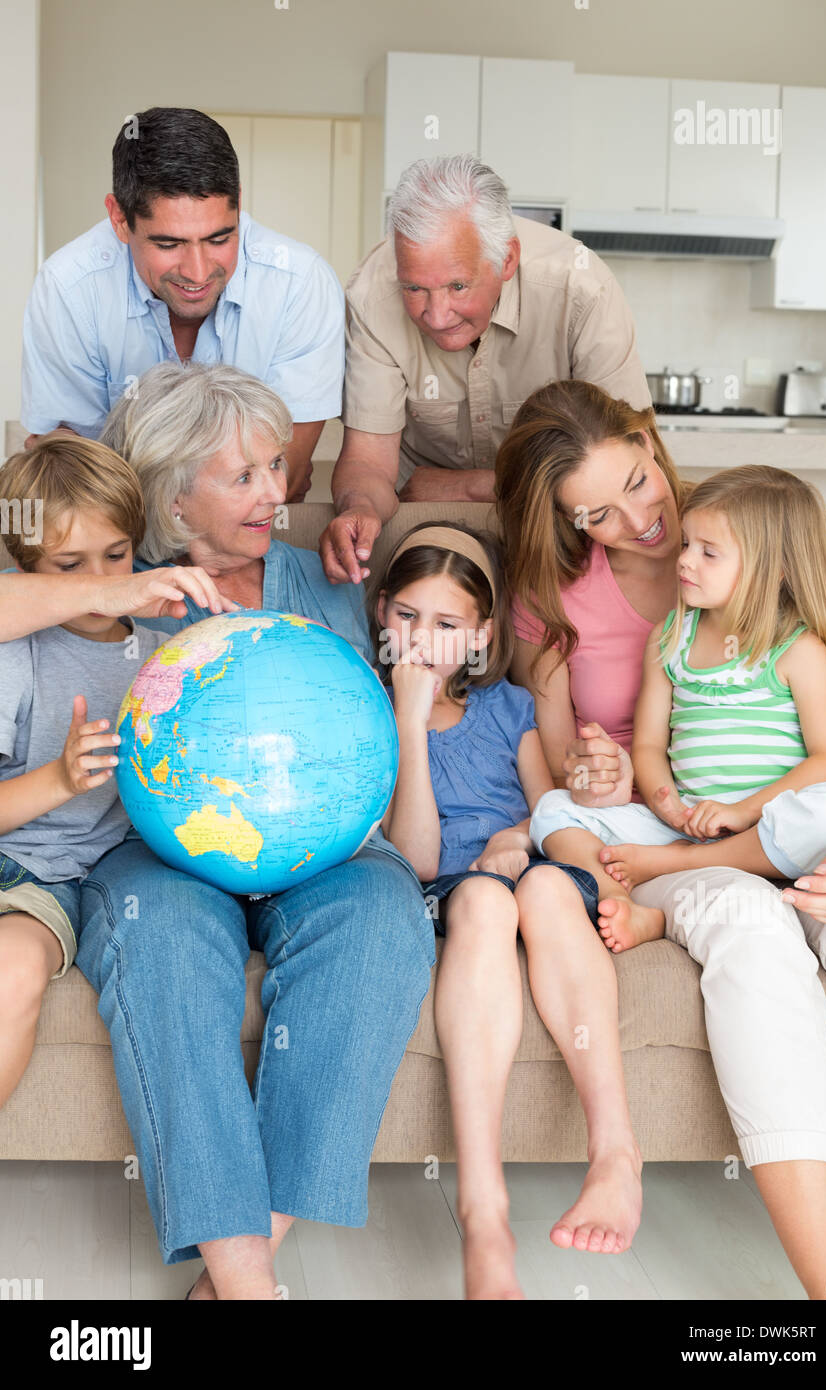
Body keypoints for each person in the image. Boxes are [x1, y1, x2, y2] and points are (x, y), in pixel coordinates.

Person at [0, 362, 435, 1300]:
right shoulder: (112, 582)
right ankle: (250, 1290)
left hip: (326, 852)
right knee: (162, 942)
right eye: (243, 476)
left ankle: (241, 1270)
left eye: (277, 467)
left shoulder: (318, 578)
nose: (279, 494)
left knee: (383, 926)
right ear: (171, 492)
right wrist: (121, 594)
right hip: (157, 853)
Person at [496, 378, 826, 1301]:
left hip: (790, 818)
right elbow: (557, 761)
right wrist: (599, 773)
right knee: (752, 935)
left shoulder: (749, 539)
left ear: (650, 440)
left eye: (639, 480)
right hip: (659, 835)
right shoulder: (557, 599)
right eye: (598, 513)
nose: (639, 520)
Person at [371, 521, 652, 1300]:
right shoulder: (364, 712)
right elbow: (419, 856)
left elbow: (554, 813)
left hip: (530, 876)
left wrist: (513, 836)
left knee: (543, 884)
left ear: (484, 635)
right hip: (448, 894)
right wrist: (406, 719)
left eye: (448, 624)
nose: (423, 641)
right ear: (381, 616)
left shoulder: (509, 709)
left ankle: (614, 1154)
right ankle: (484, 1208)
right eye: (406, 617)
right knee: (485, 904)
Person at [527, 465, 826, 952]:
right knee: (553, 811)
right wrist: (667, 803)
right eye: (687, 544)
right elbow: (647, 744)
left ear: (775, 570)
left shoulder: (799, 649)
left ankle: (678, 865)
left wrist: (741, 811)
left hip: (768, 826)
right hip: (686, 823)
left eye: (709, 553)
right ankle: (626, 899)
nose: (684, 562)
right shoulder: (669, 638)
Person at [0, 437, 225, 1107]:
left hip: (45, 882)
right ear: (27, 567)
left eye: (118, 555)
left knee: (13, 969)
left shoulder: (164, 658)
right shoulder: (16, 651)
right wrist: (59, 780)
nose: (103, 580)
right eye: (69, 566)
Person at [319, 154, 651, 584]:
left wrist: (472, 486)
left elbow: (627, 464)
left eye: (458, 286)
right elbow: (368, 463)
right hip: (421, 524)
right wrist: (359, 508)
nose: (436, 316)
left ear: (507, 260)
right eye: (414, 288)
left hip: (562, 522)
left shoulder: (581, 289)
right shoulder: (371, 296)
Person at [21, 107, 345, 502]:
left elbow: (284, 480)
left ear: (238, 205)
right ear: (119, 219)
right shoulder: (68, 289)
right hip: (121, 540)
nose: (197, 272)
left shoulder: (301, 284)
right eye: (169, 244)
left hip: (252, 541)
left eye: (219, 239)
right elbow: (69, 472)